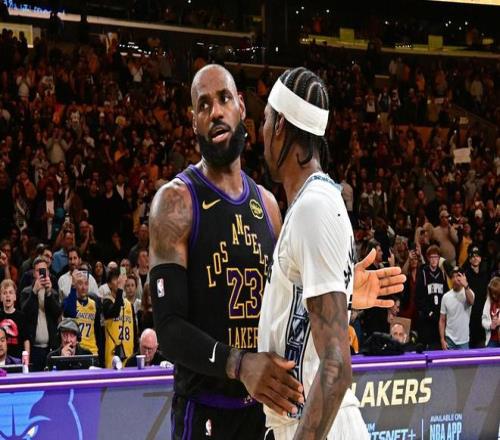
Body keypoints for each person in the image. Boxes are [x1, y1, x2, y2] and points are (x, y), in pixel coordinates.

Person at [149, 64, 404, 440]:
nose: (215, 111)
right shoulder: (175, 201)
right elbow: (169, 329)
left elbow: (286, 305)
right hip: (206, 409)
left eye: (223, 99)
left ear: (241, 108)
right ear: (193, 121)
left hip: (267, 409)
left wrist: (340, 291)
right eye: (203, 105)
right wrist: (239, 364)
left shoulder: (269, 205)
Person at [258, 66, 369, 439]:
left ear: (280, 125)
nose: (261, 131)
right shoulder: (314, 202)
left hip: (318, 426)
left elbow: (335, 365)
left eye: (266, 119)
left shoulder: (314, 207)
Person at [20, 256, 61, 371]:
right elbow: (25, 314)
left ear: (48, 273)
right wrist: (34, 292)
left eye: (44, 270)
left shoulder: (53, 293)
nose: (41, 273)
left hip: (50, 348)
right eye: (38, 271)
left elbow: (57, 313)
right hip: (33, 349)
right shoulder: (26, 292)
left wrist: (49, 294)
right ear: (34, 273)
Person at [62, 270, 102, 359]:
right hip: (75, 350)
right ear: (75, 285)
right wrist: (72, 287)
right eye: (80, 284)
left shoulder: (94, 304)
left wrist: (100, 353)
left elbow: (98, 331)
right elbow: (70, 313)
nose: (84, 287)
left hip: (92, 351)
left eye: (86, 284)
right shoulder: (69, 301)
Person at [102, 270, 136, 368]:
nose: (118, 281)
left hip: (129, 353)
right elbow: (115, 312)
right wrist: (120, 290)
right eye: (115, 279)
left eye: (119, 279)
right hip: (112, 354)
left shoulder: (129, 305)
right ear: (109, 284)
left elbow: (134, 331)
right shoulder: (107, 302)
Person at [415, 245, 447, 349]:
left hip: (439, 316)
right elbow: (418, 297)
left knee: (438, 345)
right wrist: (429, 312)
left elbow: (446, 295)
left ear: (439, 258)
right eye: (431, 257)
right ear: (428, 258)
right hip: (427, 318)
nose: (434, 260)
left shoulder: (442, 274)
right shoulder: (423, 273)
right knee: (428, 346)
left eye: (436, 257)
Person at [461, 245, 490, 348]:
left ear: (480, 258)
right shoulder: (466, 275)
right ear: (469, 259)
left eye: (477, 256)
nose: (475, 258)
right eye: (472, 256)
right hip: (469, 316)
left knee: (482, 346)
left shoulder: (485, 274)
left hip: (482, 315)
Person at [439, 267, 475, 350]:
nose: (455, 279)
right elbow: (442, 320)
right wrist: (442, 340)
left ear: (463, 277)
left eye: (458, 276)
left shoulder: (469, 293)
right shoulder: (446, 297)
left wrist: (466, 286)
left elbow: (471, 301)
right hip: (449, 340)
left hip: (464, 340)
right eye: (453, 277)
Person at [0, 279, 30, 359]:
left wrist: (26, 358)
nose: (7, 295)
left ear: (15, 297)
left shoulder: (21, 316)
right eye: (4, 293)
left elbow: (26, 340)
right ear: (1, 297)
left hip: (17, 359)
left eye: (10, 292)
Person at [482, 277, 500, 348]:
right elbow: (483, 320)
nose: (493, 295)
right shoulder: (488, 301)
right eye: (492, 293)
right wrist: (490, 325)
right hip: (491, 340)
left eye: (495, 293)